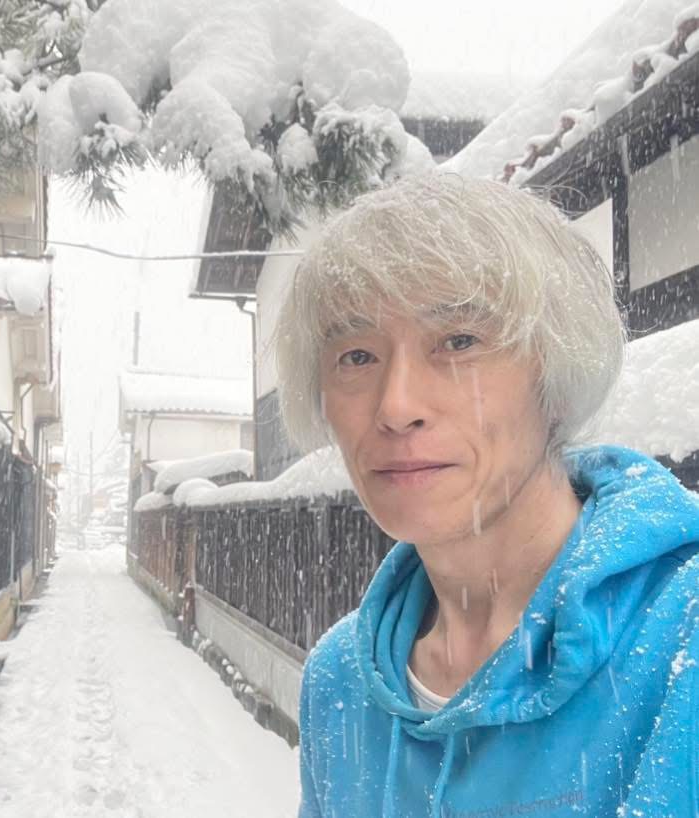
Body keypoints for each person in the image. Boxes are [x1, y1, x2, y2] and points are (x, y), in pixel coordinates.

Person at [275, 174, 699, 818]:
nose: (396, 407)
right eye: (356, 355)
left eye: (459, 341)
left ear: (554, 375)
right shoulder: (339, 679)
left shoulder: (682, 639)